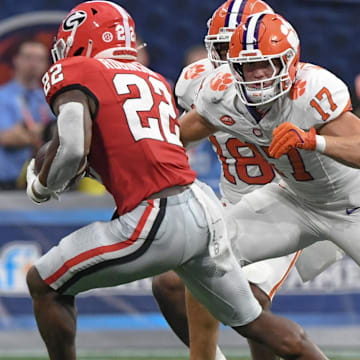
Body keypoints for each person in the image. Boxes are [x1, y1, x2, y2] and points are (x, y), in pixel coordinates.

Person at [25, 2, 329, 360]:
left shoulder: (76, 70)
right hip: (201, 203)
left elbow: (74, 146)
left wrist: (42, 186)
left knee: (44, 283)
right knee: (253, 320)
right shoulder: (153, 78)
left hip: (156, 213)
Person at [179, 10, 360, 359]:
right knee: (205, 252)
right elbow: (179, 136)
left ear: (289, 62)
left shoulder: (314, 89)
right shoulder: (221, 95)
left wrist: (314, 141)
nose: (258, 75)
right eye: (249, 66)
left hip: (353, 206)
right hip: (294, 200)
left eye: (267, 65)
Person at [152, 2, 301, 360]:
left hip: (287, 203)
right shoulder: (196, 82)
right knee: (169, 283)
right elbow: (176, 142)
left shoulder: (298, 84)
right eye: (221, 46)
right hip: (232, 199)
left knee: (248, 300)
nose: (230, 57)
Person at [0, 39, 53, 189]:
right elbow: (7, 138)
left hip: (43, 184)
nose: (33, 64)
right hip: (7, 185)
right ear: (16, 60)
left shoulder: (49, 99)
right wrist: (46, 134)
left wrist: (28, 133)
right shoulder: (2, 97)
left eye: (39, 59)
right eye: (28, 57)